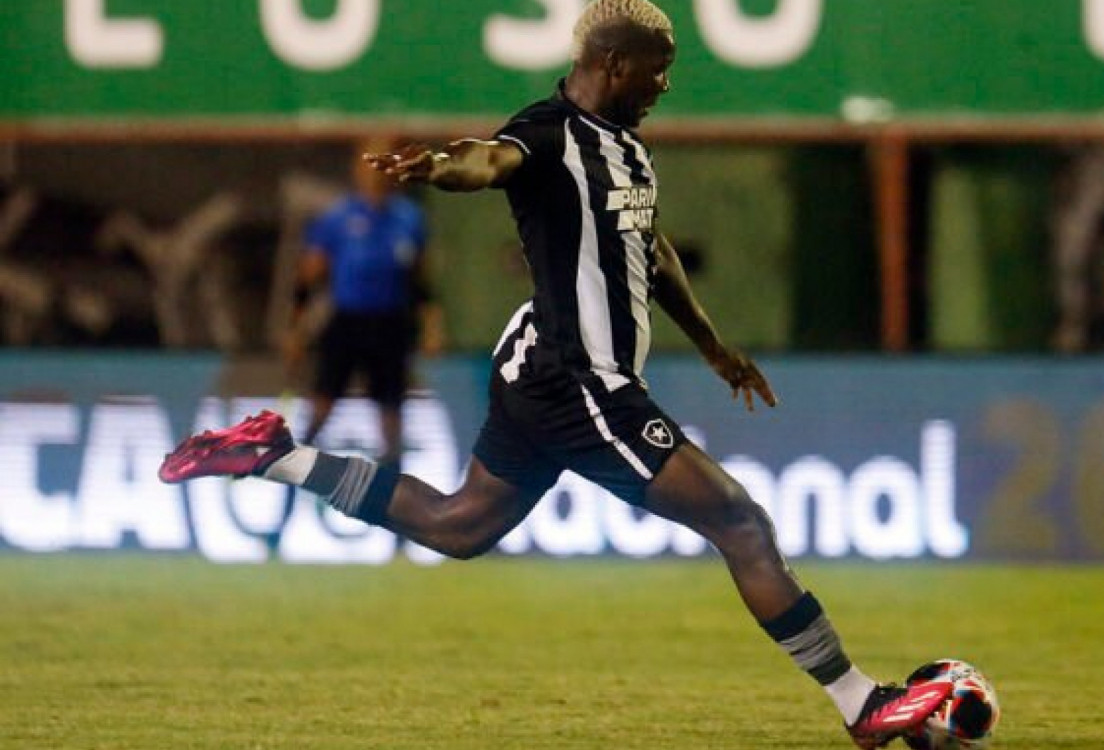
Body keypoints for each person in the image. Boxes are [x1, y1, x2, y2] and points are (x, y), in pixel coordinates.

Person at [159, 2, 949, 746]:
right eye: (656, 70)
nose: (665, 85)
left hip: (545, 370)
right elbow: (488, 160)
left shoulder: (628, 149)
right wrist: (438, 165)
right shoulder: (546, 135)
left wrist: (712, 346)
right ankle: (861, 704)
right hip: (580, 381)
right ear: (611, 62)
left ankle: (274, 454)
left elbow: (652, 248)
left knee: (458, 525)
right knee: (740, 523)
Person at [285, 138, 444, 466]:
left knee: (391, 408)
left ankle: (392, 481)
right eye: (369, 166)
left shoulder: (409, 219)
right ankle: (294, 464)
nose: (376, 175)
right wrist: (296, 330)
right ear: (357, 170)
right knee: (323, 402)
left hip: (391, 324)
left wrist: (431, 326)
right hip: (348, 321)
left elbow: (422, 280)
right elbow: (308, 278)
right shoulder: (338, 218)